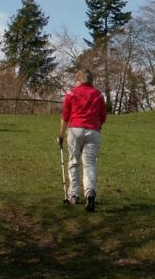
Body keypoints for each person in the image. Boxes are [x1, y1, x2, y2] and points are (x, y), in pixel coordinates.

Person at [58, 69, 107, 212]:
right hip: (93, 131)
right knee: (90, 163)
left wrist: (61, 134)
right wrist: (97, 128)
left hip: (75, 130)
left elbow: (65, 116)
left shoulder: (71, 94)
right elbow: (103, 116)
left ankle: (73, 194)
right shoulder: (98, 95)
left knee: (74, 161)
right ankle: (90, 192)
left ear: (78, 80)